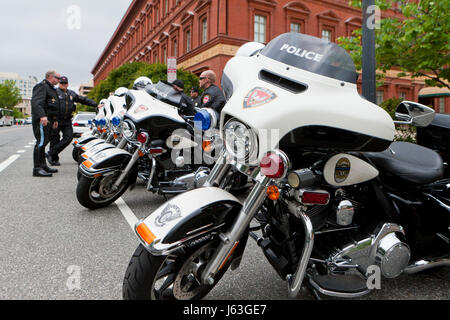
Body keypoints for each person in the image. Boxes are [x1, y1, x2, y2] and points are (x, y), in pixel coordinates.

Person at [47, 76, 98, 166]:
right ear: (59, 83)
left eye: (65, 83)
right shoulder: (54, 92)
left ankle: (50, 153)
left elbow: (83, 100)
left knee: (68, 138)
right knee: (54, 139)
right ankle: (54, 159)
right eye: (61, 83)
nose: (63, 85)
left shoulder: (71, 93)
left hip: (67, 120)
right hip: (56, 120)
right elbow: (50, 105)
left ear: (67, 84)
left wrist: (96, 104)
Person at [31, 70, 61, 177]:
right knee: (40, 142)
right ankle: (37, 168)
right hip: (42, 119)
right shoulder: (42, 86)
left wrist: (55, 119)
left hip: (49, 120)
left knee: (44, 143)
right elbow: (36, 102)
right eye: (58, 78)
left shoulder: (51, 88)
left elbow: (52, 106)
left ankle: (43, 166)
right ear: (50, 77)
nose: (59, 80)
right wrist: (42, 116)